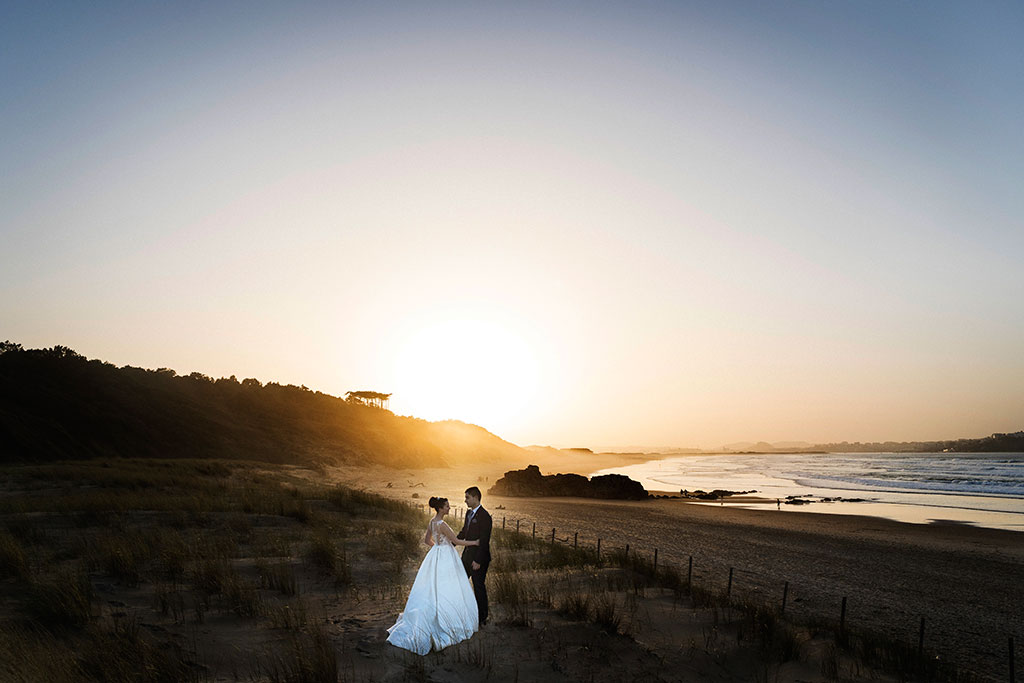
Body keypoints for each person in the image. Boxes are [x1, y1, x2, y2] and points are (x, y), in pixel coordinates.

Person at [385, 496, 480, 655]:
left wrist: (437, 547)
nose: (449, 508)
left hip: (435, 554)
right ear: (441, 508)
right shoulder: (442, 525)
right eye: (447, 506)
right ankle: (446, 619)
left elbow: (426, 540)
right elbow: (457, 540)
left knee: (433, 586)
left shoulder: (431, 522)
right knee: (448, 587)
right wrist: (474, 543)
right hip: (445, 556)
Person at [456, 486, 492, 625]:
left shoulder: (485, 516)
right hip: (466, 557)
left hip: (479, 559)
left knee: (478, 586)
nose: (465, 500)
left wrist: (477, 560)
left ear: (476, 497)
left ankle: (482, 617)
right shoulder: (468, 514)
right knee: (460, 583)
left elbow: (484, 540)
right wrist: (451, 543)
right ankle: (463, 611)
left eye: (467, 497)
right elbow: (464, 531)